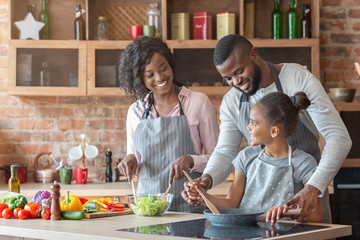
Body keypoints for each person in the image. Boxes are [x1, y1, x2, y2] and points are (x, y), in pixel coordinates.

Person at [182, 34, 351, 223]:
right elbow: (224, 152)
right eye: (227, 78)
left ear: (253, 54)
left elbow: (339, 137)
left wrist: (313, 187)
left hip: (308, 199)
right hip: (260, 217)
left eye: (239, 71)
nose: (235, 82)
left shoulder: (297, 78)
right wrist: (207, 179)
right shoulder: (232, 102)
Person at [188, 91, 322, 226]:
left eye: (253, 123)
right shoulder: (246, 157)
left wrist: (285, 213)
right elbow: (232, 204)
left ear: (274, 131)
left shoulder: (304, 163)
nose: (248, 127)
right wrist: (203, 197)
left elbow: (316, 216)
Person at [117, 36, 219, 212]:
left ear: (171, 64)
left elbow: (218, 158)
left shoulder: (198, 102)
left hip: (190, 205)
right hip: (148, 207)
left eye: (163, 68)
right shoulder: (135, 111)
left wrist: (191, 160)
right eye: (150, 75)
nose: (160, 77)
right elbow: (134, 159)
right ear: (140, 79)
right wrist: (130, 161)